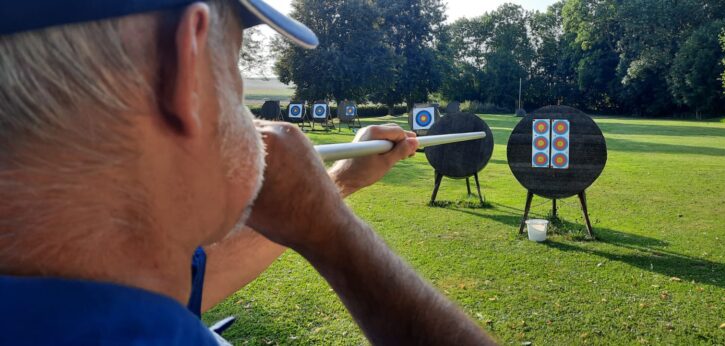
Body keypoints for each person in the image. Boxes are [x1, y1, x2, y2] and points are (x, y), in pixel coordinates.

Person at [0, 0, 497, 345]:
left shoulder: (87, 292)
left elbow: (158, 292)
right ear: (187, 71)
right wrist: (339, 236)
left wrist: (338, 183)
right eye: (233, 69)